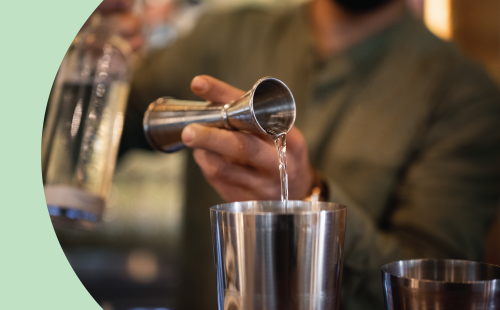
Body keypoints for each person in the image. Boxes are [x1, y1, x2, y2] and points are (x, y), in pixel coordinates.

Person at [116, 0, 500, 309]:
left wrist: (311, 197)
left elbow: (439, 291)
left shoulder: (465, 95)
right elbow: (111, 125)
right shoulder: (222, 37)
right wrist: (86, 52)